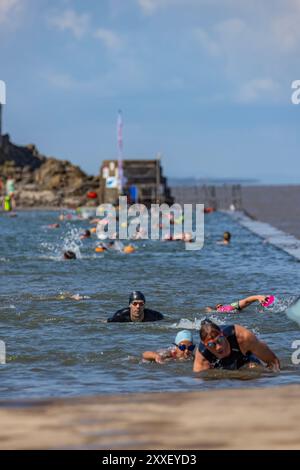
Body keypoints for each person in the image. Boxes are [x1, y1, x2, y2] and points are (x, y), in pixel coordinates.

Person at [193, 319, 280, 372]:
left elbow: (273, 361)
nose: (218, 347)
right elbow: (201, 383)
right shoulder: (202, 354)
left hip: (244, 357)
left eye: (219, 340)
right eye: (211, 345)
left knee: (253, 368)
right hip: (222, 366)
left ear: (223, 335)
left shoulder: (242, 337)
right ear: (205, 345)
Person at [205, 294, 271, 313]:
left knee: (245, 302)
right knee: (246, 302)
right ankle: (258, 298)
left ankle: (259, 297)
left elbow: (246, 301)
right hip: (233, 310)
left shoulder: (225, 308)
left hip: (231, 309)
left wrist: (257, 297)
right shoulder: (223, 309)